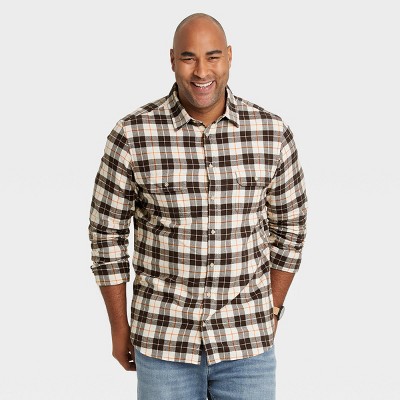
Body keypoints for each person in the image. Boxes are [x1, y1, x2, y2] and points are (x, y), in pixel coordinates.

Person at [88, 12, 308, 400]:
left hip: (247, 346)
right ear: (172, 59)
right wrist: (119, 328)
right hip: (163, 342)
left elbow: (290, 229)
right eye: (189, 57)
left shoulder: (271, 132)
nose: (201, 71)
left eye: (213, 56)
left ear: (229, 57)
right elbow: (106, 235)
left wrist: (272, 311)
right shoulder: (132, 134)